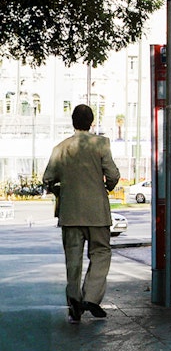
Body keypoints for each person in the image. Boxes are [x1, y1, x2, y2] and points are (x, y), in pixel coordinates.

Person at [42, 104, 121, 324]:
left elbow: (48, 178)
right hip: (97, 212)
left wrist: (60, 190)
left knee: (73, 261)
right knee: (101, 253)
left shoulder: (61, 147)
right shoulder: (101, 144)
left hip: (70, 213)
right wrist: (107, 187)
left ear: (72, 121)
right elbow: (112, 173)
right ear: (92, 121)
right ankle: (92, 297)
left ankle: (74, 303)